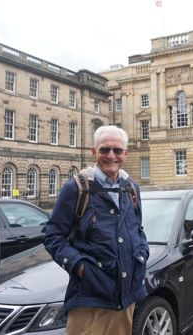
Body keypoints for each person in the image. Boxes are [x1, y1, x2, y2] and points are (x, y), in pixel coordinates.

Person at [43, 125, 148, 335]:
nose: (111, 155)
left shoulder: (131, 188)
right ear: (94, 152)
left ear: (125, 154)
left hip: (125, 297)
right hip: (89, 298)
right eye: (104, 150)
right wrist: (80, 266)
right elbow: (53, 236)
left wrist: (142, 252)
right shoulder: (77, 188)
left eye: (117, 150)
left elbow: (138, 228)